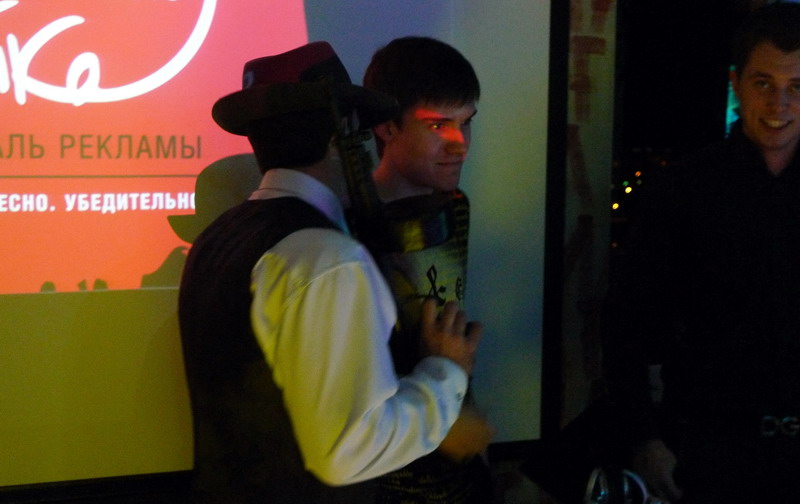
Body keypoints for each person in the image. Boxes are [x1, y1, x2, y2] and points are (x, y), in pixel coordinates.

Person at [178, 41, 484, 503]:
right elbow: (347, 451)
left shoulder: (219, 236)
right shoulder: (328, 257)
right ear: (343, 139)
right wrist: (447, 371)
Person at [604, 4, 800, 503]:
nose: (779, 103)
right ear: (736, 84)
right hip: (710, 451)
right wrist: (645, 438)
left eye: (797, 86)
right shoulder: (684, 190)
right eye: (763, 83)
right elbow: (627, 321)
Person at [362, 37, 494, 503]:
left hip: (459, 466)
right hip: (385, 477)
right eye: (438, 124)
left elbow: (446, 325)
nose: (460, 145)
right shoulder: (346, 224)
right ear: (387, 127)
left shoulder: (454, 207)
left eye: (466, 123)